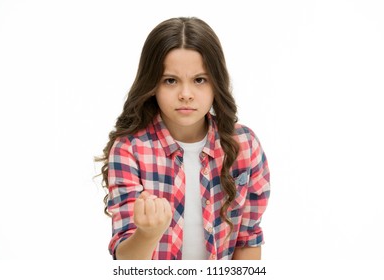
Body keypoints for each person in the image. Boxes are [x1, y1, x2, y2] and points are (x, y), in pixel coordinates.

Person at [95, 17, 270, 260]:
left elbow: (248, 238)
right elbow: (126, 262)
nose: (185, 94)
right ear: (152, 84)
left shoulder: (245, 145)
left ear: (216, 83)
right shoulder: (129, 149)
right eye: (170, 80)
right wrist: (147, 233)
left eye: (199, 80)